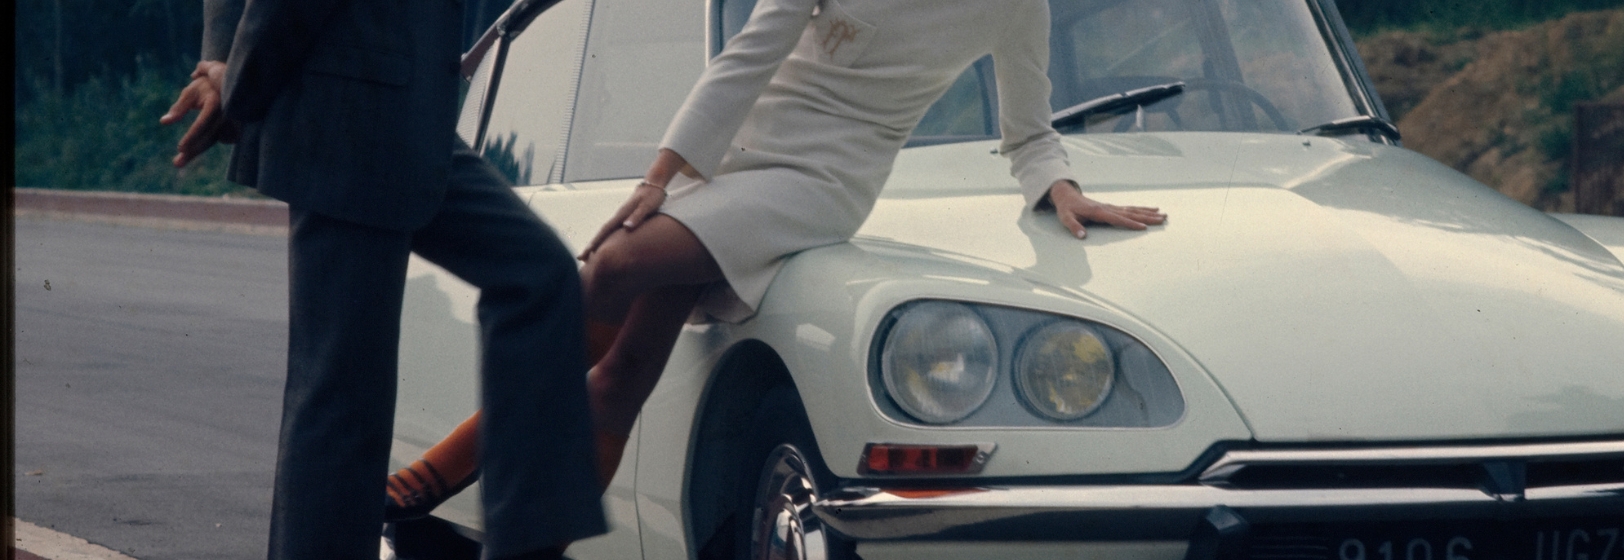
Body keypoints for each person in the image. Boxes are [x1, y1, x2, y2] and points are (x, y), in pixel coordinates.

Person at [375, 0, 1168, 541]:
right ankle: (537, 532)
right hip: (729, 155)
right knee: (625, 374)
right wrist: (661, 174)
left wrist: (1058, 186)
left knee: (611, 268)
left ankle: (444, 469)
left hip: (821, 182)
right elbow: (749, 54)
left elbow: (1027, 129)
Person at [160, 0, 607, 558]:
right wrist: (237, 81)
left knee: (539, 278)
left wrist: (223, 65)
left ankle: (524, 545)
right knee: (343, 399)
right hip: (347, 115)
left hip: (409, 116)